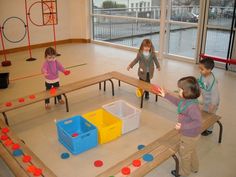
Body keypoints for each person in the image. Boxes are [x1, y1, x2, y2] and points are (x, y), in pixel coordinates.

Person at [153, 76, 201, 177]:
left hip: (188, 136)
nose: (178, 91)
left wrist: (183, 126)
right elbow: (177, 102)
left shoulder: (192, 107)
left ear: (187, 92)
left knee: (184, 155)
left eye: (180, 89)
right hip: (191, 135)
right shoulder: (187, 100)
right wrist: (165, 95)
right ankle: (195, 167)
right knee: (191, 150)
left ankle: (184, 173)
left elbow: (197, 122)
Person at [198, 57, 220, 136]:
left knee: (210, 115)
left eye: (202, 69)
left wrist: (213, 104)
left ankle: (209, 130)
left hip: (212, 102)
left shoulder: (212, 81)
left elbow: (215, 94)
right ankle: (204, 125)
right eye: (199, 69)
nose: (200, 71)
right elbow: (199, 83)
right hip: (205, 100)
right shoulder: (202, 75)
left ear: (209, 70)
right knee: (204, 113)